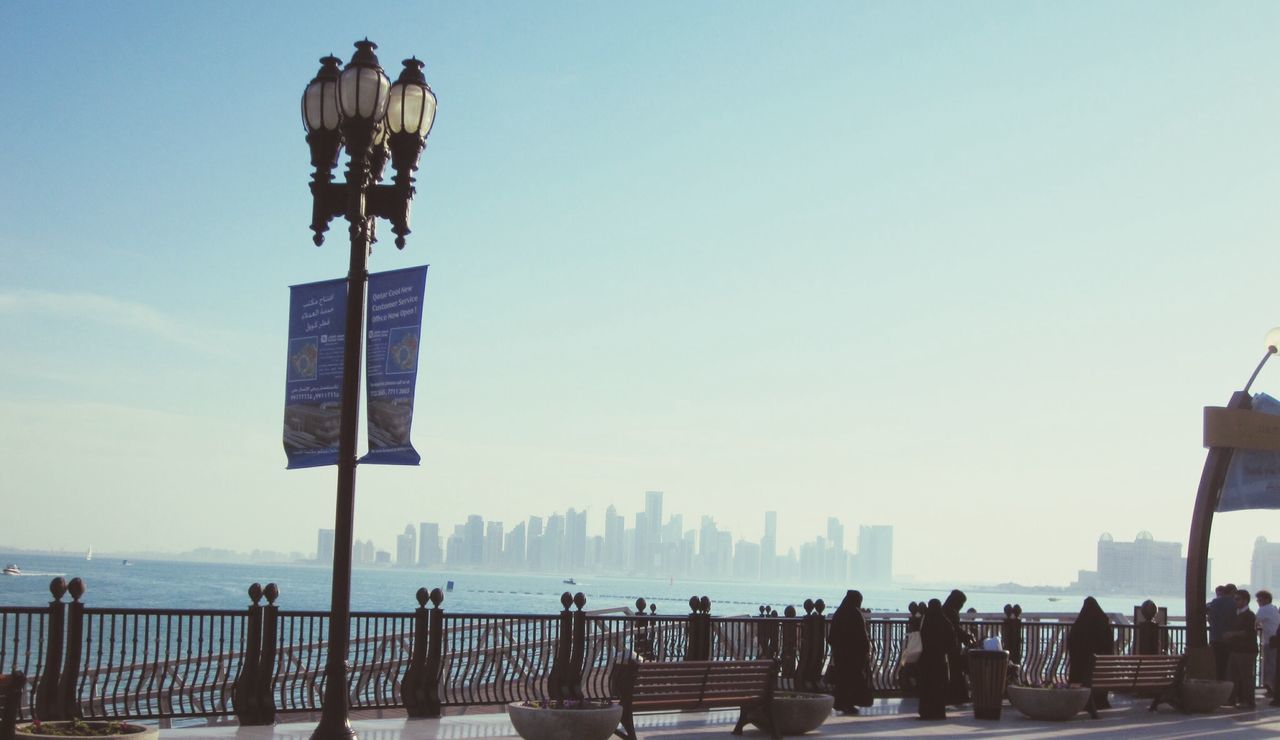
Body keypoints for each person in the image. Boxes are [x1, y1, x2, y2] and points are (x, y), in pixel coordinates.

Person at [826, 590, 873, 714]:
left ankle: (842, 703)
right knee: (851, 679)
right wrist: (866, 651)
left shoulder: (839, 613)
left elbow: (832, 637)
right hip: (854, 655)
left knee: (842, 679)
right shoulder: (856, 614)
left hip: (841, 654)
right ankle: (848, 703)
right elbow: (862, 636)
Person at [1067, 597, 1115, 713]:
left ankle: (1081, 701)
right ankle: (1100, 700)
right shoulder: (1103, 624)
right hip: (1101, 674)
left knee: (1078, 667)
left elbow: (1071, 644)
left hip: (1081, 673)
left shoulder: (1079, 625)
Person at [917, 599, 955, 720]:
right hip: (940, 659)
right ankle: (938, 711)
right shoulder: (945, 621)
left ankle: (926, 711)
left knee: (926, 685)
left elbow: (921, 637)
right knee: (939, 685)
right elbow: (952, 641)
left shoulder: (926, 620)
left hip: (926, 658)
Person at [1225, 589, 1258, 708]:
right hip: (1236, 649)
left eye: (1238, 599)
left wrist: (1233, 634)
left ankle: (1248, 701)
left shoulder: (1249, 615)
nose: (1235, 601)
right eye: (1235, 599)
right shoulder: (1237, 614)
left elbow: (1248, 632)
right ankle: (1231, 699)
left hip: (1246, 651)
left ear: (1245, 600)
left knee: (1246, 677)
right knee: (1232, 675)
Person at [941, 589, 974, 704]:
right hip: (952, 647)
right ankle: (958, 696)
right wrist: (966, 637)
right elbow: (955, 629)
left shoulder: (944, 610)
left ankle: (952, 695)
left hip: (946, 647)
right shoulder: (952, 612)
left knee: (953, 671)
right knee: (956, 671)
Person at [1208, 584, 1237, 681]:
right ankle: (1228, 687)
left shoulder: (1214, 602)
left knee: (1217, 664)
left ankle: (1218, 683)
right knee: (1229, 665)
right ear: (1232, 592)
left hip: (1215, 637)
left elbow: (1206, 612)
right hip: (1229, 639)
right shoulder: (1233, 603)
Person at [1256, 590, 1279, 698]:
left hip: (1269, 641)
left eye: (1259, 600)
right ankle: (1273, 688)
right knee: (1274, 665)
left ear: (1266, 600)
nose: (1258, 602)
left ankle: (1271, 688)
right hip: (1275, 641)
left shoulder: (1263, 609)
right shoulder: (1274, 608)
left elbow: (1254, 622)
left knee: (1270, 665)